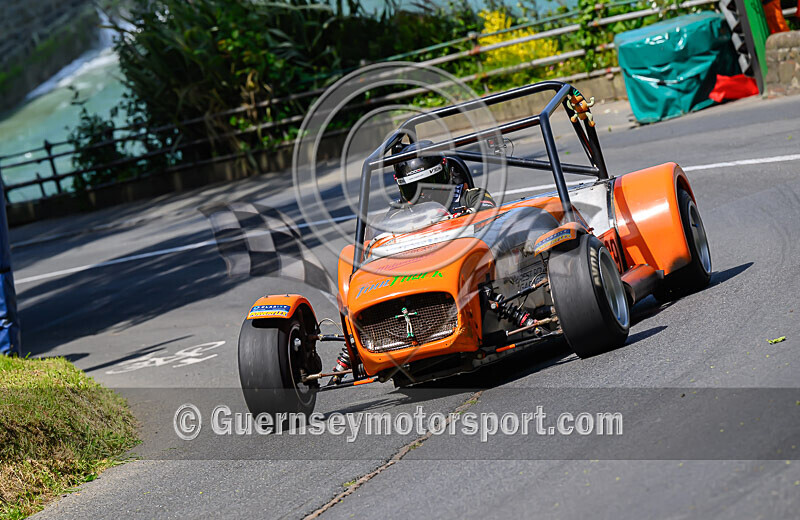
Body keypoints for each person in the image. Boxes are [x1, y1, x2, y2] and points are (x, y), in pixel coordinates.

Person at [391, 140, 496, 214]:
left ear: (446, 174)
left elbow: (488, 209)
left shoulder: (471, 197)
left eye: (429, 183)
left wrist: (466, 216)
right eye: (413, 188)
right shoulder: (400, 210)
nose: (422, 193)